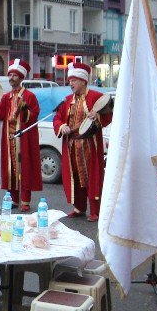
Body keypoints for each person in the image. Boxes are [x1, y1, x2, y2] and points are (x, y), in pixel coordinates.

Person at [52, 62, 111, 221]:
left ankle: (95, 211)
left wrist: (97, 116)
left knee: (92, 176)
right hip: (72, 145)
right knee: (76, 177)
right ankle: (79, 208)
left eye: (74, 80)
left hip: (89, 145)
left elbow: (109, 116)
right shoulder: (67, 100)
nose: (70, 83)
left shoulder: (96, 97)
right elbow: (57, 118)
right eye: (70, 80)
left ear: (84, 81)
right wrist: (62, 126)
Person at [0, 59, 43, 212]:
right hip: (8, 139)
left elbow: (34, 115)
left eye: (14, 75)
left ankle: (25, 200)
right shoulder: (6, 97)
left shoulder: (30, 96)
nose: (11, 78)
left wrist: (23, 110)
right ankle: (13, 198)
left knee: (24, 168)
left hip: (23, 138)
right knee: (11, 168)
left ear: (21, 78)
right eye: (10, 75)